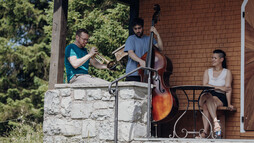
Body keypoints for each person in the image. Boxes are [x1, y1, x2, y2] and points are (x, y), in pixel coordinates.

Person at [198, 49, 234, 138]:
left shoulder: (227, 72)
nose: (212, 60)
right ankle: (215, 122)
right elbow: (205, 85)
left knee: (207, 104)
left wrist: (229, 104)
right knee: (208, 95)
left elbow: (228, 89)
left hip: (219, 97)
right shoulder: (207, 71)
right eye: (212, 58)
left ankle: (205, 133)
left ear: (221, 59)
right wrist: (219, 87)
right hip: (206, 94)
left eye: (215, 58)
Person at [124, 17, 163, 81]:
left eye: (139, 28)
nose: (137, 31)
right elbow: (130, 53)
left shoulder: (149, 39)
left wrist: (157, 34)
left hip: (146, 74)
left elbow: (161, 48)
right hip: (133, 73)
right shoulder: (131, 39)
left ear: (143, 27)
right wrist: (140, 61)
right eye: (135, 29)